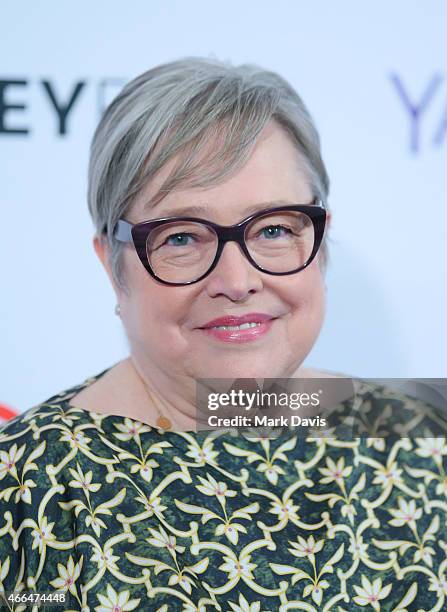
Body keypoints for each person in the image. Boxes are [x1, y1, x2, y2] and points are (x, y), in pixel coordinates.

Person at [0, 57, 446, 611]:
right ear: (111, 265)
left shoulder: (417, 435)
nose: (237, 281)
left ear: (322, 241)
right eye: (182, 238)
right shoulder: (24, 482)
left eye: (276, 228)